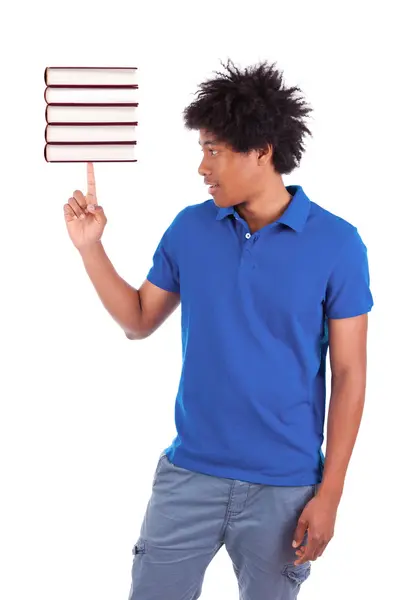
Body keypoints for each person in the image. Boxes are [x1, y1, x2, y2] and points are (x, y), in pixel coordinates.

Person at [63, 59, 374, 600]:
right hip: (190, 475)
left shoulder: (339, 244)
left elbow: (349, 374)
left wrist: (331, 494)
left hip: (286, 489)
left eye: (213, 151)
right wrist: (91, 247)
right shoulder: (190, 228)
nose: (202, 167)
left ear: (262, 151)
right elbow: (138, 321)